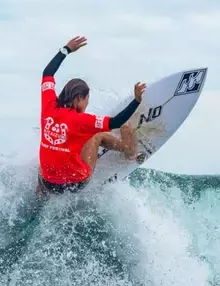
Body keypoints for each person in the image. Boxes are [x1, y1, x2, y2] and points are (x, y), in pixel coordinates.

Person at [37, 36, 147, 196]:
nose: (87, 104)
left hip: (49, 183)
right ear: (79, 98)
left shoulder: (48, 105)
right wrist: (136, 101)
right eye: (87, 99)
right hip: (74, 184)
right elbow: (116, 122)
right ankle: (128, 148)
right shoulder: (82, 120)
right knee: (95, 135)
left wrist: (66, 50)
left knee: (43, 165)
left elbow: (47, 73)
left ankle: (41, 193)